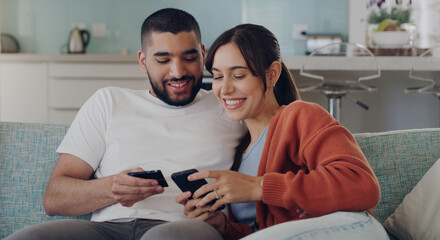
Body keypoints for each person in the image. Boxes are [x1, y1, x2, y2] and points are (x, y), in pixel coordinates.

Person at [5, 8, 244, 240]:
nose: (178, 71)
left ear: (203, 54)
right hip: (108, 229)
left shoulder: (229, 105)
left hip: (180, 228)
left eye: (189, 57)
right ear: (143, 61)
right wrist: (111, 188)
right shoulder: (108, 101)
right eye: (163, 60)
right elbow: (54, 199)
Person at [176, 24, 389, 240]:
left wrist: (258, 187)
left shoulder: (300, 115)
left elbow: (362, 186)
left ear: (272, 75)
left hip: (350, 229)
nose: (225, 89)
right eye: (218, 76)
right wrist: (222, 226)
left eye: (239, 75)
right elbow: (265, 230)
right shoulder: (240, 152)